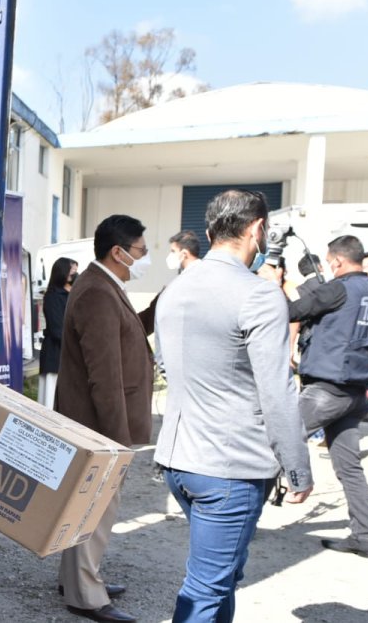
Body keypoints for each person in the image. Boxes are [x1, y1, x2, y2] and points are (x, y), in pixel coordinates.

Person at [155, 189, 313, 623]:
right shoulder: (260, 295)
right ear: (258, 230)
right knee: (206, 588)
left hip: (177, 458)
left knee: (219, 579)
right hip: (230, 467)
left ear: (209, 233)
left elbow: (165, 362)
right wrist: (297, 468)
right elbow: (278, 391)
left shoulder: (175, 290)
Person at [54, 214, 157, 623]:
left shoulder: (105, 285)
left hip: (97, 424)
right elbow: (104, 373)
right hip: (99, 427)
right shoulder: (98, 291)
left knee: (84, 507)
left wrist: (157, 308)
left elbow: (126, 336)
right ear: (119, 252)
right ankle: (86, 595)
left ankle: (77, 579)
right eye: (141, 252)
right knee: (93, 510)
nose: (145, 258)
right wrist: (117, 440)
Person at [286, 235, 368, 559]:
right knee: (350, 468)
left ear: (338, 261)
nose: (328, 268)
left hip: (327, 389)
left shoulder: (337, 288)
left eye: (329, 263)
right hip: (358, 394)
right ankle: (364, 538)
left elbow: (291, 311)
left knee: (273, 440)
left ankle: (238, 526)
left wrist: (275, 284)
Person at [38, 257, 77, 410]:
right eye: (71, 272)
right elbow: (57, 329)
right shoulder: (53, 296)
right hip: (55, 354)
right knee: (50, 399)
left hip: (68, 356)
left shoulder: (72, 295)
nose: (74, 275)